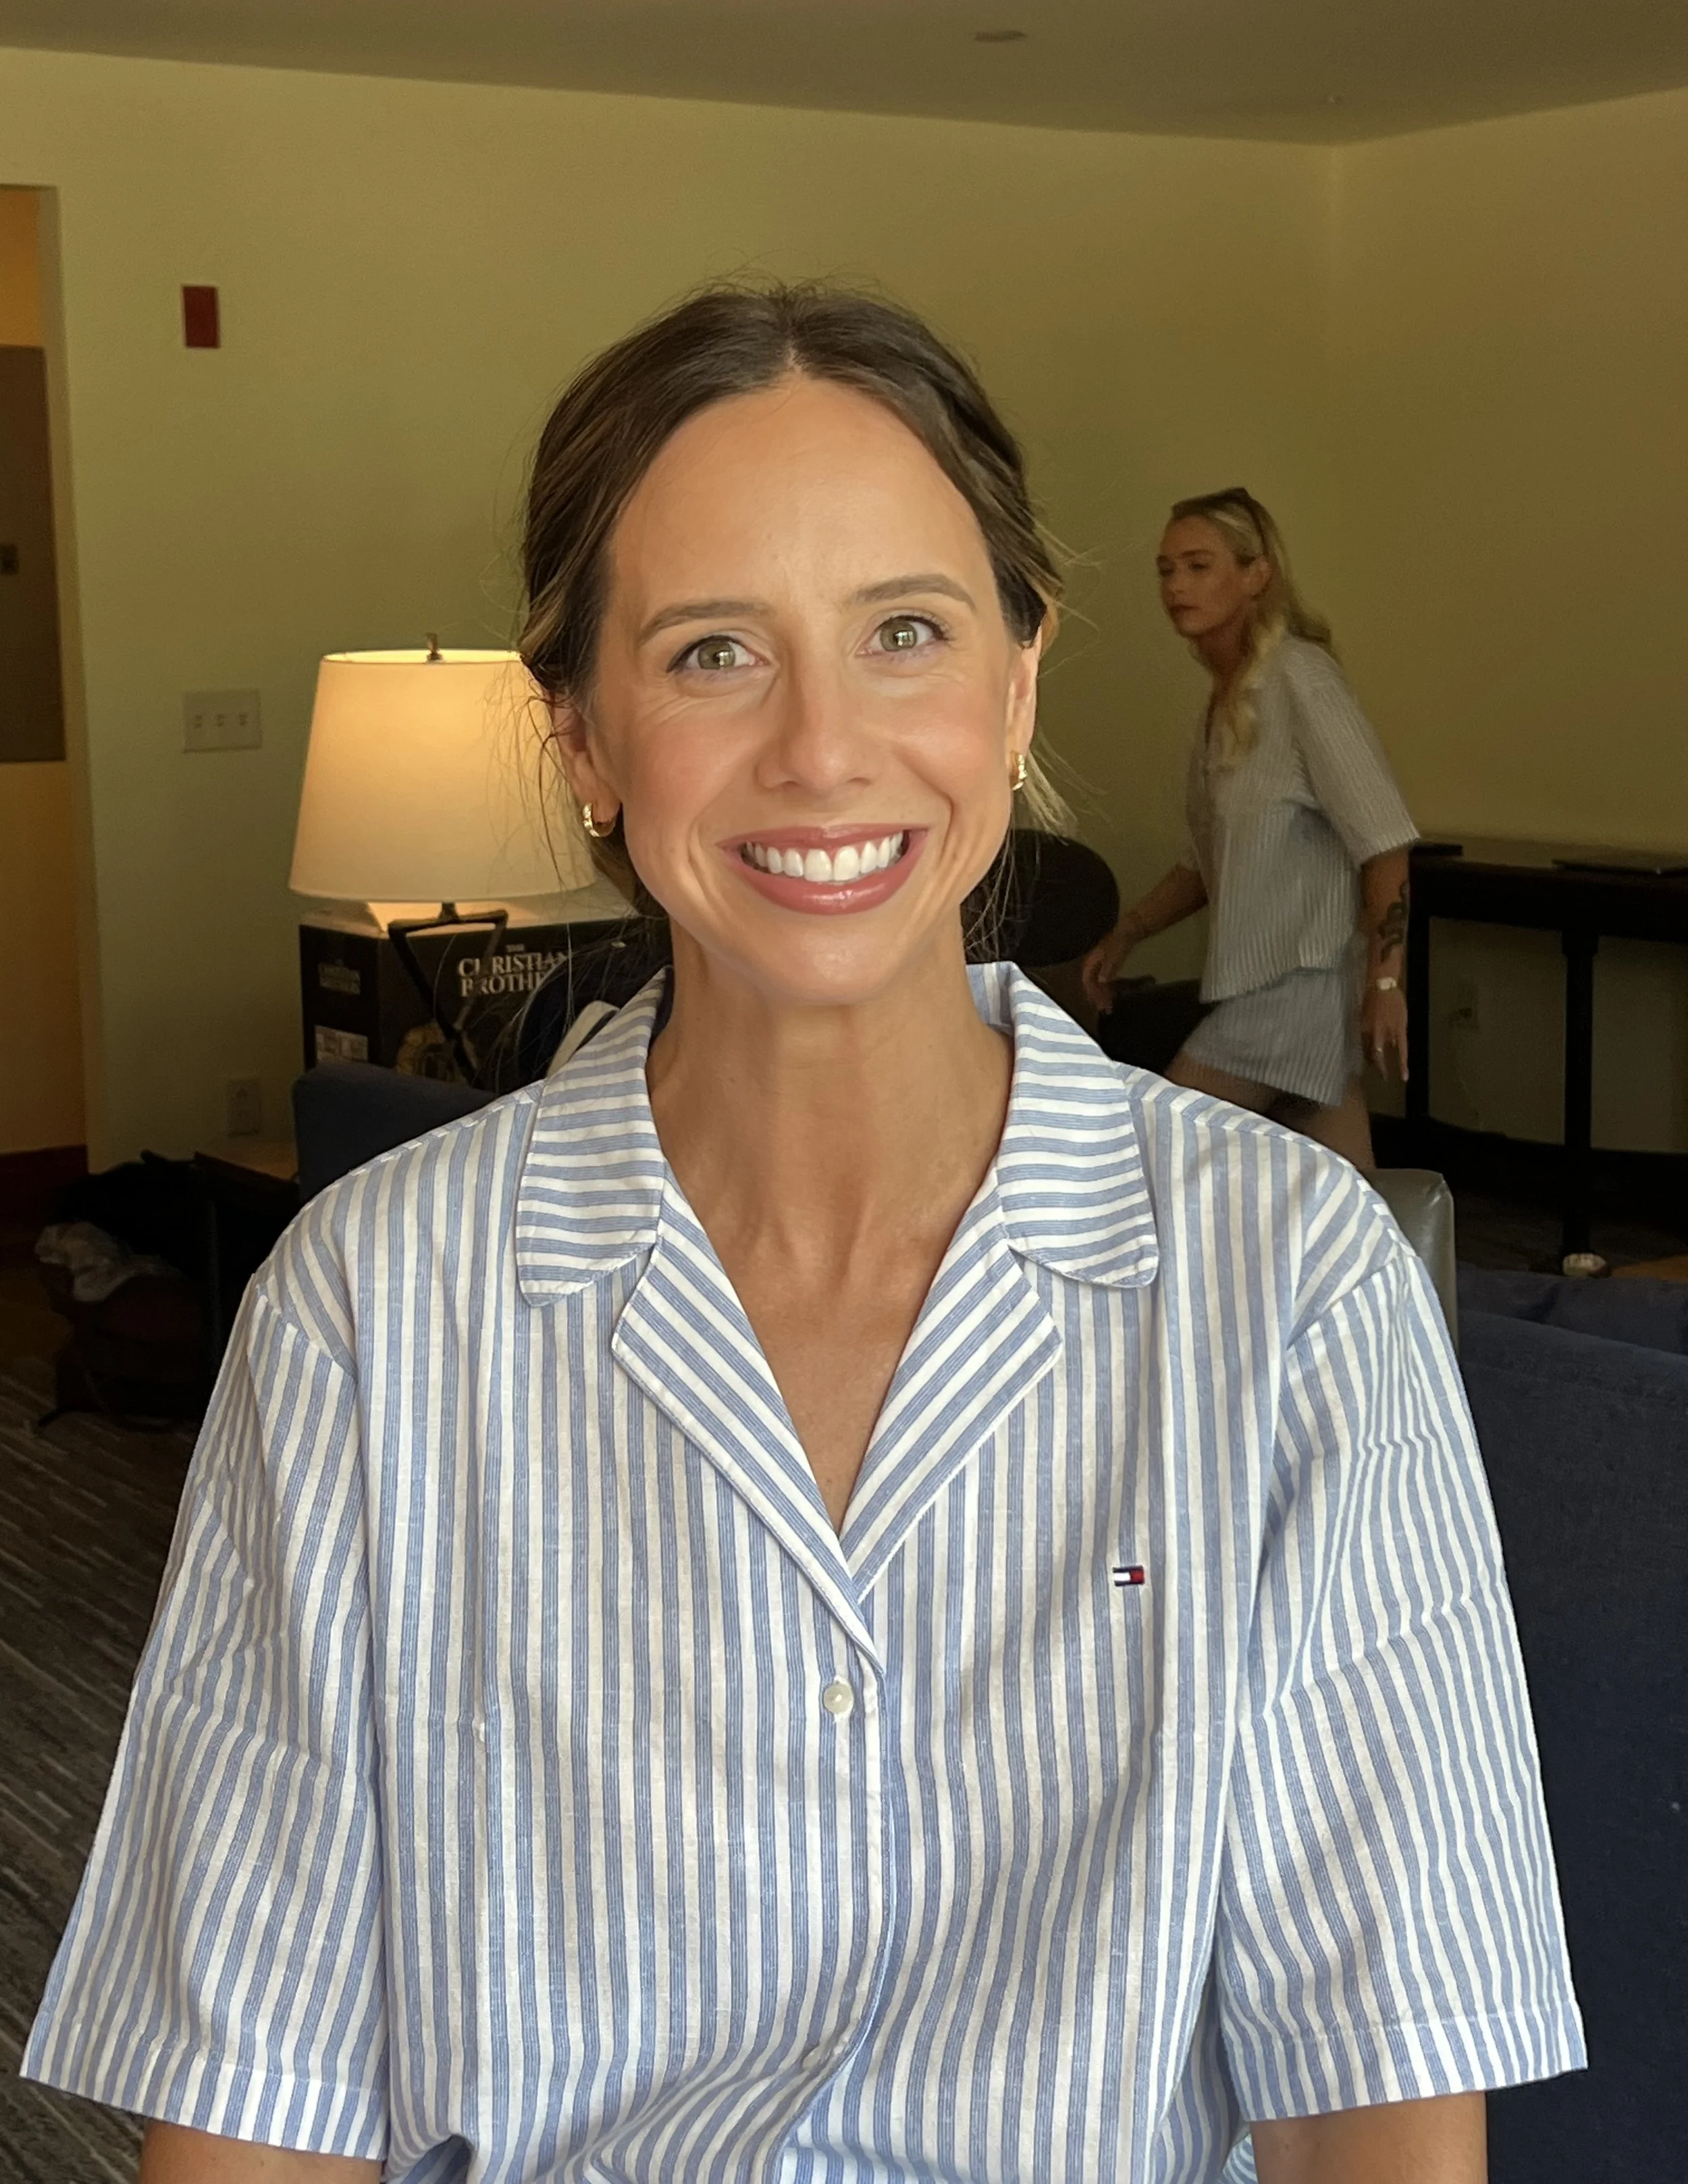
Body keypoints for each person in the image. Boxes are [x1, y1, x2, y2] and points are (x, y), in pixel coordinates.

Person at [25, 290, 1580, 2183]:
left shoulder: (1291, 1285)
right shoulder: (373, 1308)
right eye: (709, 654)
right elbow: (252, 2089)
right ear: (581, 735)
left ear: (1015, 686)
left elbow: (1385, 2077)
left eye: (904, 632)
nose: (822, 749)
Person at [1082, 489, 1417, 1171]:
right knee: (1349, 1194)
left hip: (1297, 988)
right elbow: (1208, 863)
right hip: (1266, 990)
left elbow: (1383, 840)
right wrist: (1129, 931)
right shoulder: (1225, 701)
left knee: (1153, 1145)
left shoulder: (1302, 680)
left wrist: (1386, 984)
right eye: (1166, 569)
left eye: (1198, 566)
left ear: (1255, 574)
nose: (1176, 585)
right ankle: (1403, 1276)